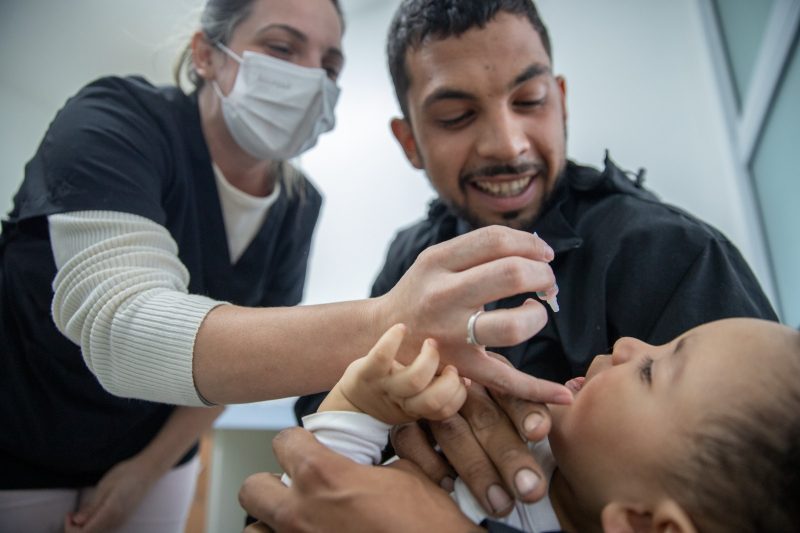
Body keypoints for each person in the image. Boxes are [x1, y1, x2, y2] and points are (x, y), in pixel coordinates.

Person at [0, 0, 573, 530]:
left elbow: (245, 363)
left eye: (329, 63)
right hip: (23, 437)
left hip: (158, 452)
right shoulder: (116, 122)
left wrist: (148, 468)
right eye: (282, 48)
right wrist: (388, 324)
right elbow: (119, 324)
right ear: (206, 54)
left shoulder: (299, 205)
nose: (310, 78)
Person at [293, 0, 778, 517]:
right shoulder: (409, 259)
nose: (508, 144)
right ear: (410, 141)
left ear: (561, 102)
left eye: (529, 100)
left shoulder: (676, 256)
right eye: (456, 116)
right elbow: (327, 420)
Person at [246, 317, 800, 532]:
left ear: (645, 525)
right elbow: (311, 496)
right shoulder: (545, 452)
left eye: (653, 372)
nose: (629, 344)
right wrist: (362, 402)